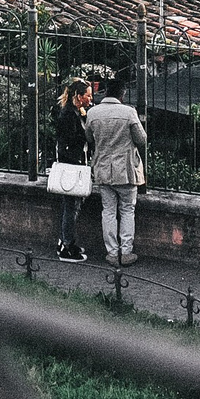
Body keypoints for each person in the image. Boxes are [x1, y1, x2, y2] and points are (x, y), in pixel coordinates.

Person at [85, 74, 149, 267]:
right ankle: (126, 252)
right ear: (122, 94)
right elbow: (142, 139)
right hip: (127, 170)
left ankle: (112, 253)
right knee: (128, 210)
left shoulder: (92, 113)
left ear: (105, 92)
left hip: (103, 169)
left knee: (108, 211)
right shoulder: (129, 112)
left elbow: (89, 137)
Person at [50, 78, 93, 261]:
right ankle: (67, 246)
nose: (90, 99)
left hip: (73, 164)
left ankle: (66, 242)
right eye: (88, 96)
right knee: (71, 207)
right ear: (78, 96)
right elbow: (73, 140)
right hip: (71, 166)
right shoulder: (69, 114)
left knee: (70, 207)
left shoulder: (73, 111)